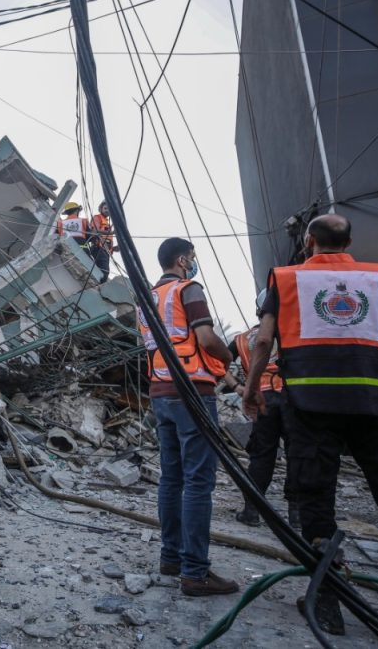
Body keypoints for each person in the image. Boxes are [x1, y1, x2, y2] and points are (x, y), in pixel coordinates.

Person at [243, 214, 378, 641]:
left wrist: (251, 389)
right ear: (350, 242)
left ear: (309, 242)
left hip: (311, 408)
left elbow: (262, 341)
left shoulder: (286, 279)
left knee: (317, 502)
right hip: (376, 406)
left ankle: (328, 602)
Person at [138, 238, 238, 596]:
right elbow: (207, 338)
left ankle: (171, 558)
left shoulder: (147, 296)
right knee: (198, 481)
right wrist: (228, 359)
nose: (194, 264)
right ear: (182, 260)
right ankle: (195, 572)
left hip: (160, 392)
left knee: (172, 477)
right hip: (193, 391)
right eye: (192, 258)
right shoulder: (188, 289)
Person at [223, 290, 298, 528]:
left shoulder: (241, 340)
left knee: (262, 455)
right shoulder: (291, 334)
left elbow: (217, 363)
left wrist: (237, 387)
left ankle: (252, 510)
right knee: (297, 454)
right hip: (292, 398)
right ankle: (296, 513)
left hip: (261, 399)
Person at [89, 201, 114, 280]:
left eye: (109, 209)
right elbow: (95, 231)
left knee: (104, 271)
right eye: (105, 208)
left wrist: (115, 248)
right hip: (98, 248)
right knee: (104, 272)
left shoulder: (107, 222)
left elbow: (107, 241)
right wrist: (110, 232)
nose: (107, 210)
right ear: (101, 209)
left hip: (105, 251)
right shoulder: (97, 217)